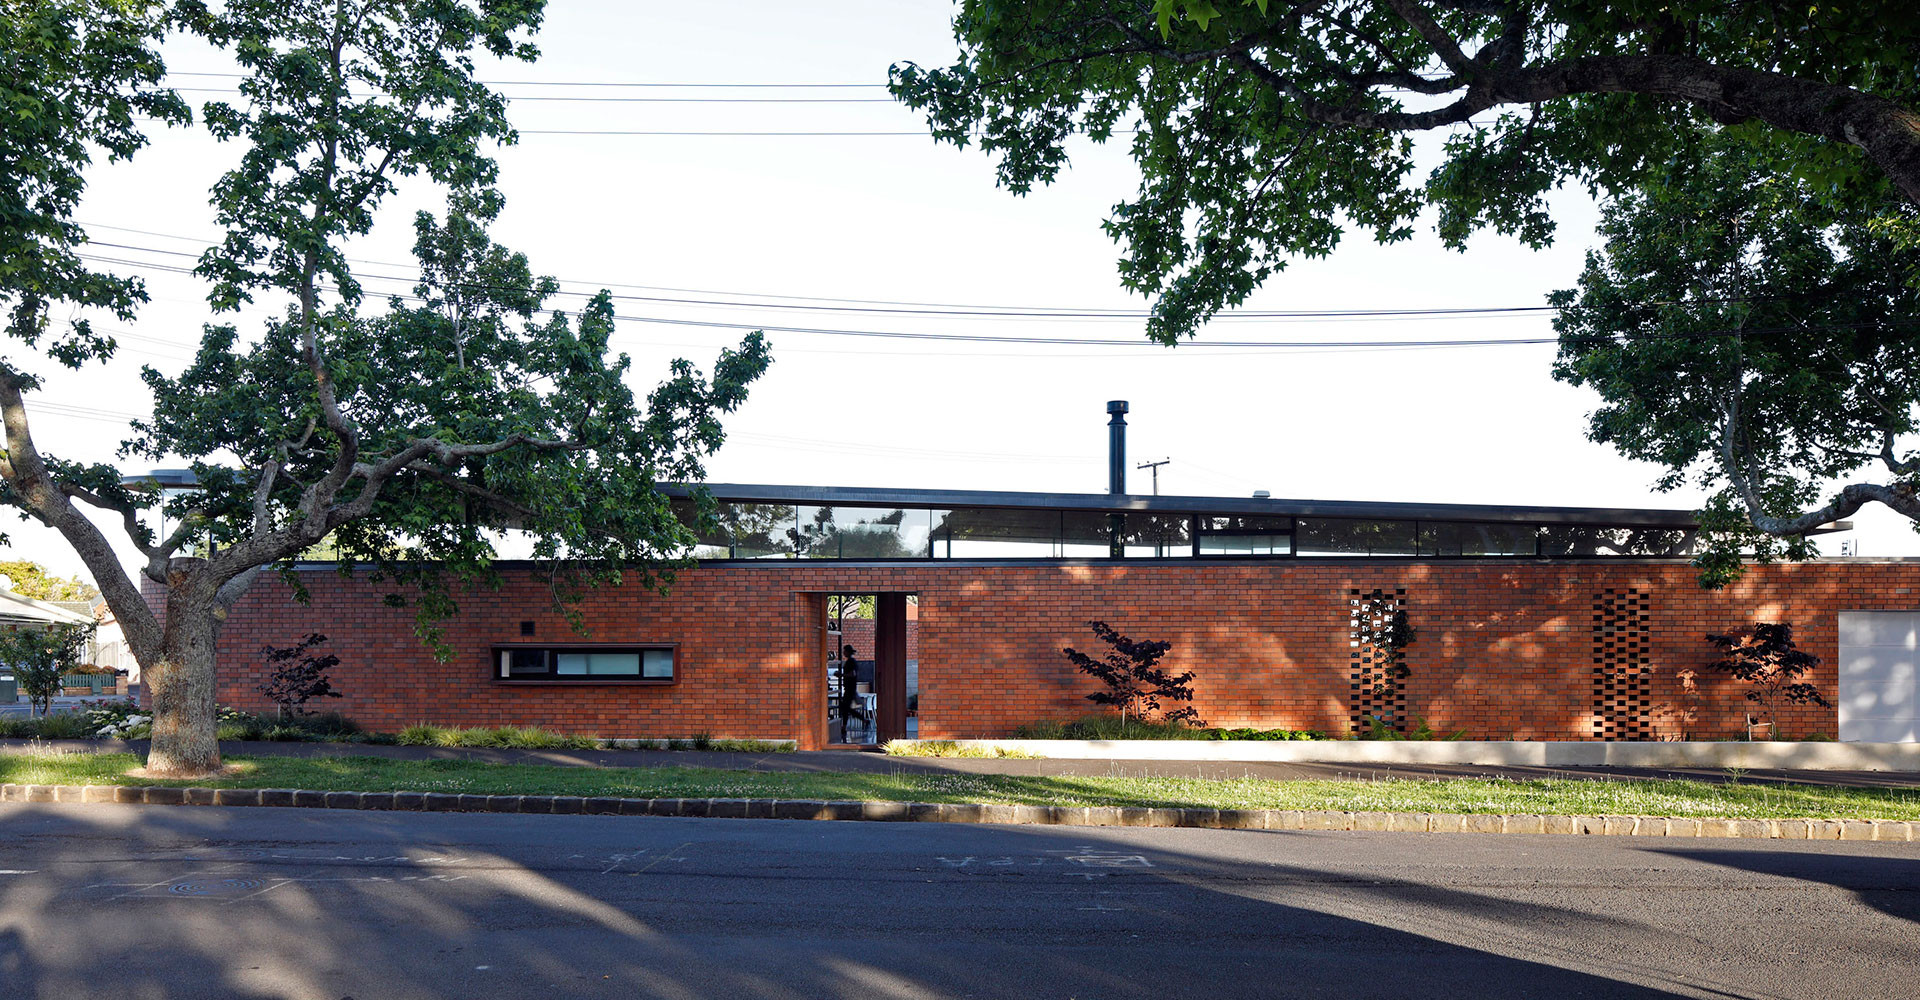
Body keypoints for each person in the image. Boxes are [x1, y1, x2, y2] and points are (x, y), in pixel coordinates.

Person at [838, 645, 861, 742]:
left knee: (845, 707)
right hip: (849, 688)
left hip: (850, 688)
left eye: (844, 651)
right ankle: (845, 726)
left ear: (847, 651)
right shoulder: (851, 661)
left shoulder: (851, 662)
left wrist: (841, 675)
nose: (843, 652)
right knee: (845, 707)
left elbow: (852, 674)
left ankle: (844, 726)